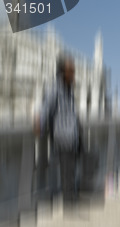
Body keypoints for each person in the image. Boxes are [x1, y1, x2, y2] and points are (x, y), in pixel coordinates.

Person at [35, 53, 82, 207]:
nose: (73, 74)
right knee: (66, 169)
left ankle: (70, 198)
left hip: (72, 136)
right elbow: (46, 108)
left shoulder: (68, 89)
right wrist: (40, 127)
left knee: (71, 169)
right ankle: (68, 201)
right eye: (71, 71)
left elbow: (72, 113)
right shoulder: (55, 88)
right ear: (63, 71)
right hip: (63, 136)